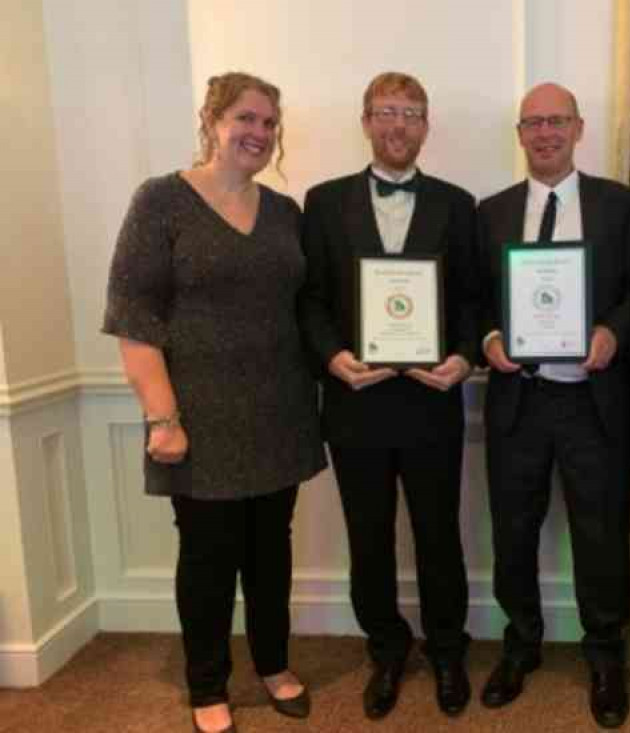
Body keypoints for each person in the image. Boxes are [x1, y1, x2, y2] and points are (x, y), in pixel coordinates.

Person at [102, 72, 326, 733]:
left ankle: (275, 664)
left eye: (268, 123)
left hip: (280, 412)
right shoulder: (161, 201)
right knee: (207, 557)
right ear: (213, 120)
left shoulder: (286, 213)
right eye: (245, 119)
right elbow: (134, 316)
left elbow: (307, 306)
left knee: (270, 553)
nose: (258, 133)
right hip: (197, 420)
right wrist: (162, 416)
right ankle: (207, 684)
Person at [299, 72, 478, 720]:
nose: (397, 124)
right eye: (385, 112)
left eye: (410, 113)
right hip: (356, 403)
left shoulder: (459, 204)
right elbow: (311, 299)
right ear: (367, 121)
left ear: (425, 124)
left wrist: (464, 356)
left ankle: (449, 648)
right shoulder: (321, 202)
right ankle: (387, 648)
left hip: (432, 402)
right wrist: (331, 358)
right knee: (367, 538)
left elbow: (470, 298)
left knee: (438, 536)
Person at [477, 82, 630, 729]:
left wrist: (612, 330)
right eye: (533, 123)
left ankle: (604, 655)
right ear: (520, 134)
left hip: (592, 403)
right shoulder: (490, 212)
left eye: (557, 121)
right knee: (513, 530)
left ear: (578, 129)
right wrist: (490, 337)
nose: (545, 133)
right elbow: (472, 299)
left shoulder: (619, 206)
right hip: (518, 399)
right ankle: (520, 645)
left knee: (600, 533)